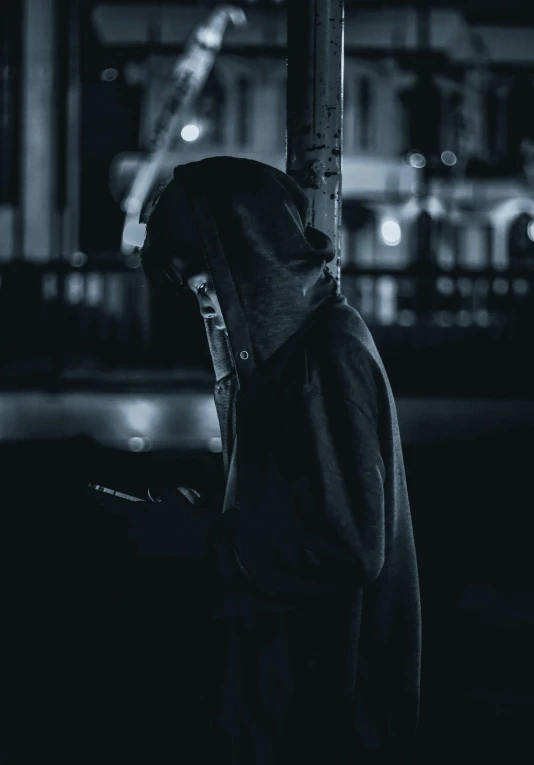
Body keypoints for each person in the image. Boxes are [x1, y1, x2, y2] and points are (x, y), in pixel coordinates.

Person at [138, 156, 422, 765]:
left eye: (211, 286)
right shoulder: (292, 356)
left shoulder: (323, 357)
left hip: (329, 707)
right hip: (298, 696)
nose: (208, 309)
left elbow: (343, 545)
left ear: (252, 258)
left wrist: (209, 540)